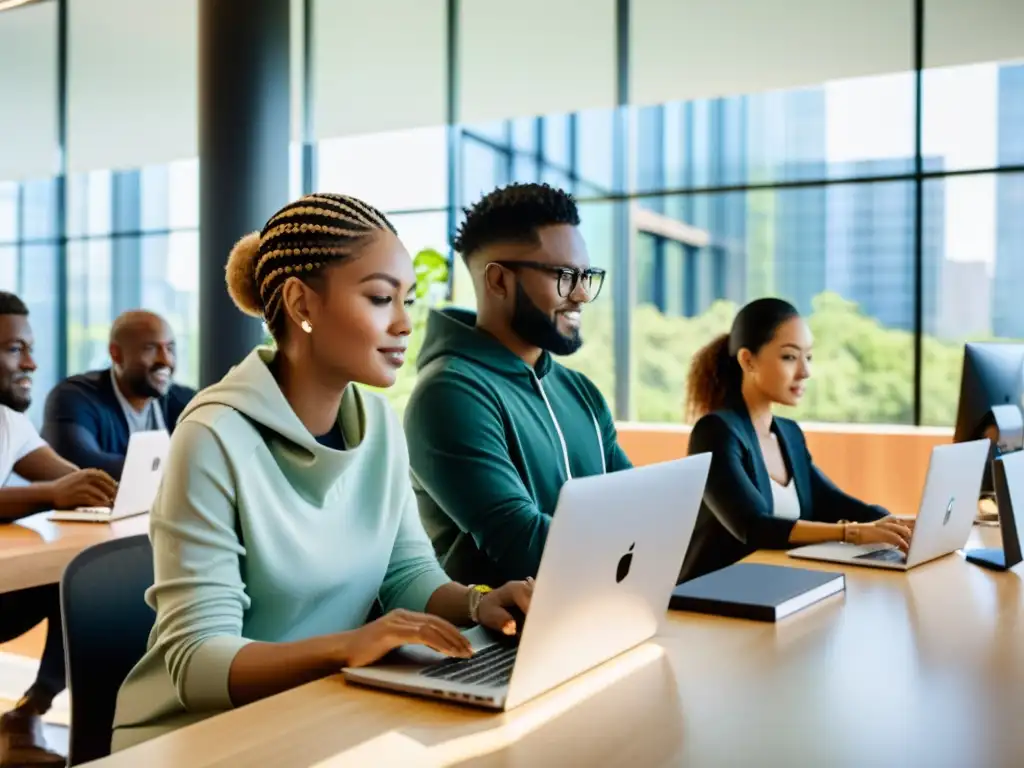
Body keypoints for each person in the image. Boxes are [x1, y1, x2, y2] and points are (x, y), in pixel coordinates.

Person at [110, 193, 533, 751]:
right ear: (301, 304)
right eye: (382, 298)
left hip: (323, 708)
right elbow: (197, 664)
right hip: (200, 738)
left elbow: (408, 575)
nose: (406, 323)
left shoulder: (379, 425)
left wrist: (481, 602)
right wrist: (347, 646)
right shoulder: (213, 436)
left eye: (407, 299)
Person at [404, 182, 632, 587]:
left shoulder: (581, 392)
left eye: (586, 276)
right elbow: (527, 549)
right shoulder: (449, 393)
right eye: (564, 275)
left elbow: (643, 507)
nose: (580, 294)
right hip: (497, 640)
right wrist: (638, 543)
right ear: (498, 281)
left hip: (602, 613)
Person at [677, 297, 914, 583]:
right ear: (748, 360)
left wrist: (895, 523)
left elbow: (833, 502)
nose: (805, 372)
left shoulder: (788, 434)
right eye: (789, 356)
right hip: (711, 600)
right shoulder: (715, 432)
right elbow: (753, 526)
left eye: (808, 357)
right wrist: (852, 533)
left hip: (772, 587)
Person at [0, 291, 118, 767]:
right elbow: (54, 491)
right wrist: (50, 495)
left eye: (29, 347)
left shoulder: (9, 422)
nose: (30, 361)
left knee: (85, 578)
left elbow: (69, 479)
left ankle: (30, 712)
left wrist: (115, 490)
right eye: (13, 349)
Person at [42, 310, 195, 480]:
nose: (165, 360)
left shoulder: (185, 400)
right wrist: (179, 469)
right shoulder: (74, 397)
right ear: (116, 353)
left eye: (170, 348)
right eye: (150, 348)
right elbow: (83, 465)